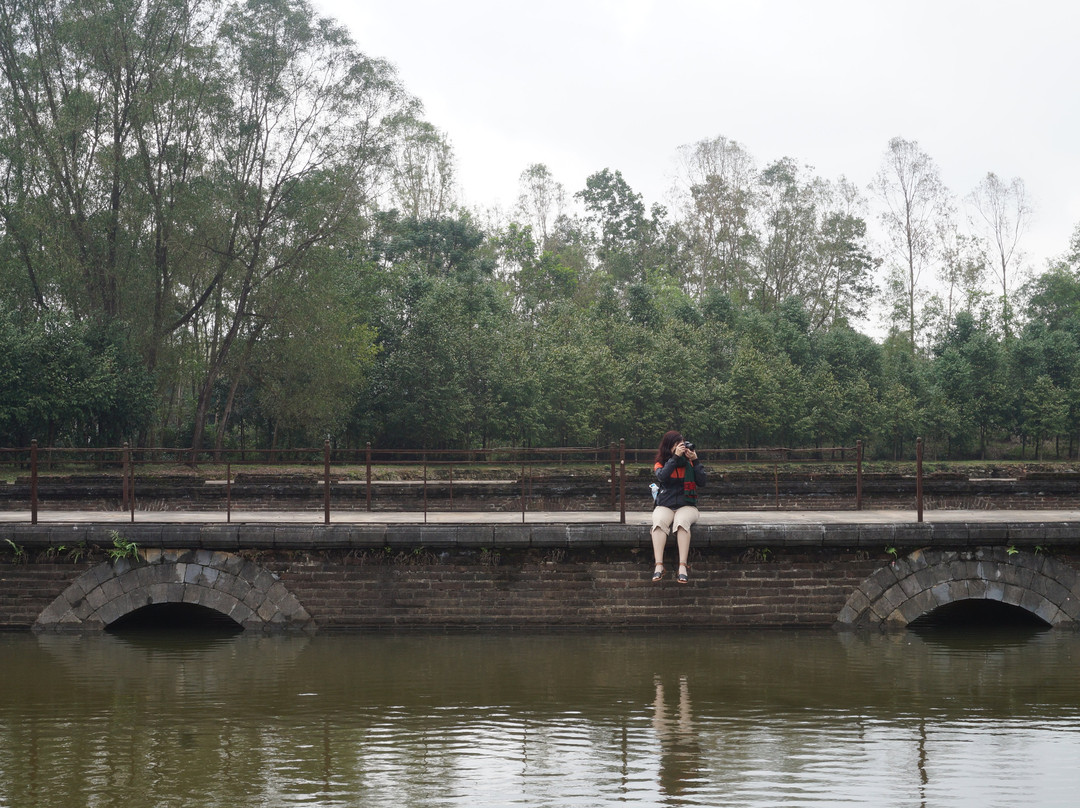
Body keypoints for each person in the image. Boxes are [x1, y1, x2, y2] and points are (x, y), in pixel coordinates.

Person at [651, 430, 706, 584]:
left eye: (683, 444)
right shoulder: (661, 463)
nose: (682, 448)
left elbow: (702, 482)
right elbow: (662, 476)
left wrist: (695, 461)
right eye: (678, 445)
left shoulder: (689, 462)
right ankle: (659, 565)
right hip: (665, 504)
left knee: (681, 523)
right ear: (670, 446)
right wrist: (675, 458)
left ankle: (682, 566)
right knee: (659, 523)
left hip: (687, 505)